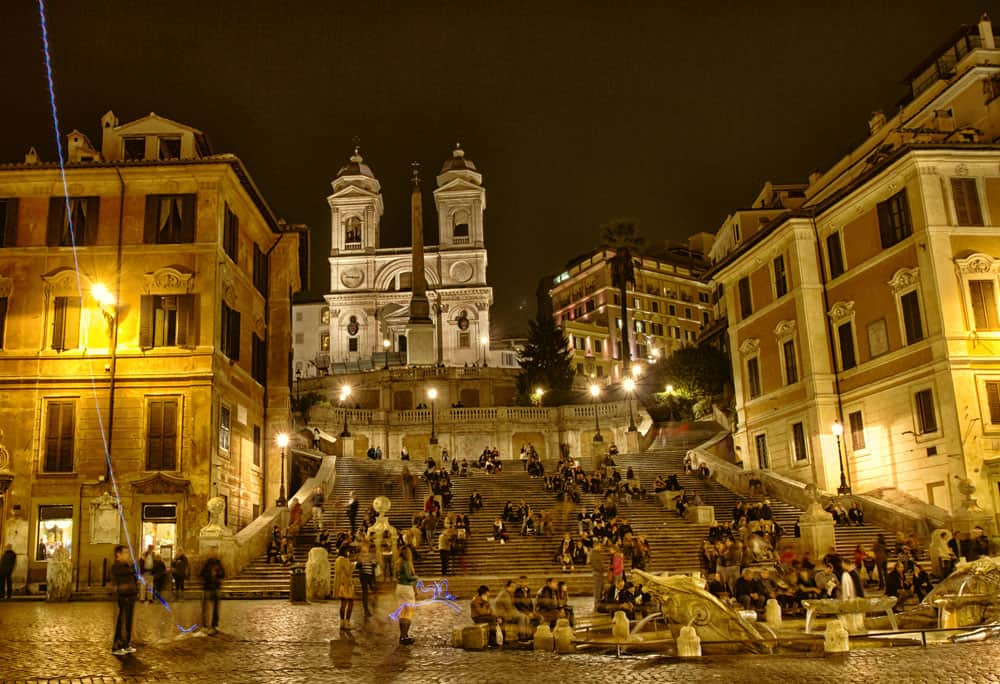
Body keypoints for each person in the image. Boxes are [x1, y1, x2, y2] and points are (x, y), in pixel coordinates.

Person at [111, 545, 138, 655]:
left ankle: (126, 644)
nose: (128, 555)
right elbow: (118, 582)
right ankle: (117, 646)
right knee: (122, 621)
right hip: (124, 596)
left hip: (130, 595)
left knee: (128, 621)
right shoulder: (117, 566)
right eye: (126, 553)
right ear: (118, 554)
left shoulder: (127, 566)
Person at [396, 545, 419, 645]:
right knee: (408, 613)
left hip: (400, 588)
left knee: (403, 612)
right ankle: (404, 636)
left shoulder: (398, 563)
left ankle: (403, 635)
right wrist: (416, 577)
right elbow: (409, 577)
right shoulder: (406, 564)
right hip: (406, 588)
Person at [200, 551, 226, 635]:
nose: (214, 555)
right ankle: (205, 625)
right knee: (205, 608)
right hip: (207, 587)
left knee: (215, 608)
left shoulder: (219, 563)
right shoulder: (207, 564)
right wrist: (209, 575)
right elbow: (202, 574)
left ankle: (214, 625)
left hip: (215, 588)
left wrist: (218, 573)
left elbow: (223, 574)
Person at [333, 546, 356, 629]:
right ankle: (347, 622)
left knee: (343, 604)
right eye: (348, 551)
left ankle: (342, 622)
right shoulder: (344, 560)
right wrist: (353, 565)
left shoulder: (337, 559)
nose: (349, 553)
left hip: (341, 583)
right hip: (347, 584)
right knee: (350, 603)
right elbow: (348, 572)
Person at [357, 541, 378, 618]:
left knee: (374, 589)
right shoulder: (359, 556)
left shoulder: (372, 556)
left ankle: (373, 604)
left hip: (371, 576)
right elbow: (357, 567)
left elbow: (375, 565)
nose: (365, 548)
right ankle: (366, 610)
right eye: (363, 547)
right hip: (363, 576)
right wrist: (360, 563)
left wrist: (373, 563)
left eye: (366, 547)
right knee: (365, 592)